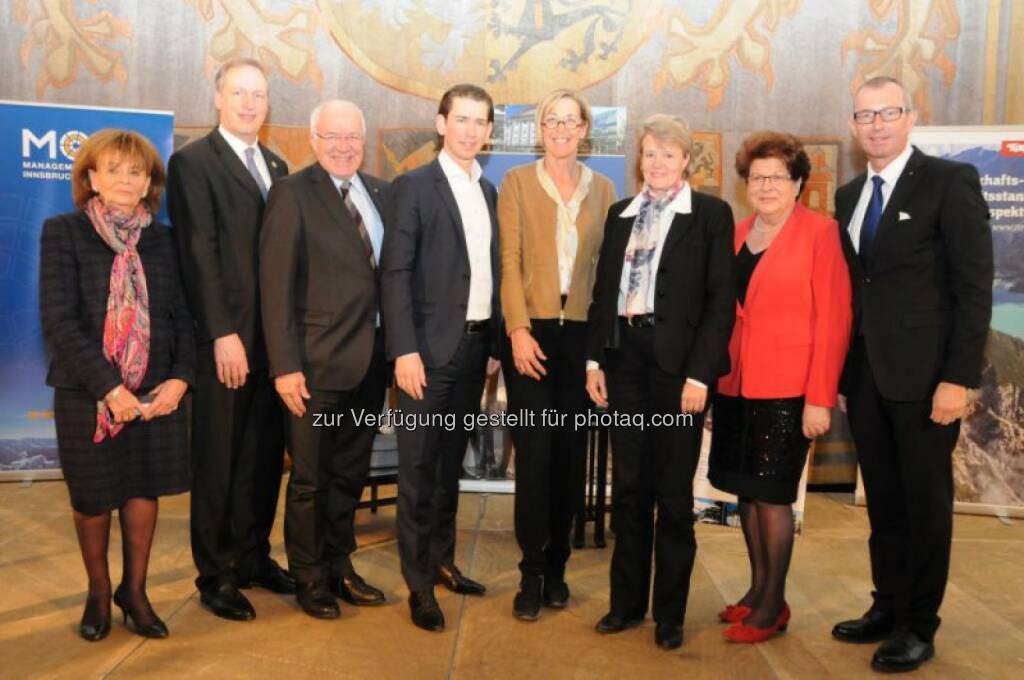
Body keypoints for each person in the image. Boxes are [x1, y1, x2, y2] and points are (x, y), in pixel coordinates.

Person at [831, 76, 992, 673]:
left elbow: (974, 289)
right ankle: (887, 605)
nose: (876, 124)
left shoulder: (950, 182)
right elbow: (856, 291)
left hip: (929, 381)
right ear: (853, 125)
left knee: (924, 505)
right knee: (885, 502)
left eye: (888, 112)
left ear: (911, 117)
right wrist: (847, 377)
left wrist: (959, 377)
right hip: (869, 378)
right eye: (864, 115)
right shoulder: (849, 196)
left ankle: (919, 625)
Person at [585, 114, 735, 650]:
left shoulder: (712, 215)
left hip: (678, 373)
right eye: (650, 154)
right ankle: (625, 605)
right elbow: (604, 294)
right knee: (628, 490)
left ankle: (668, 613)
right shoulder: (619, 214)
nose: (659, 163)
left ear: (686, 161)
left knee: (672, 495)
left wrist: (700, 374)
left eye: (669, 155)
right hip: (624, 363)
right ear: (639, 161)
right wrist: (593, 362)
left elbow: (720, 304)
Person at [40, 130, 195, 641]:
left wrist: (179, 380)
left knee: (142, 489)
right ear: (91, 178)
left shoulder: (165, 240)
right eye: (114, 169)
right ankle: (100, 591)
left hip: (154, 394)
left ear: (149, 181)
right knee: (91, 498)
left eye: (136, 171)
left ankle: (136, 591)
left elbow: (180, 318)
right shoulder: (62, 232)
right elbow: (59, 322)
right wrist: (110, 389)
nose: (126, 179)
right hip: (88, 393)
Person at [709, 131, 852, 643]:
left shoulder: (821, 233)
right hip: (736, 382)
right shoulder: (737, 231)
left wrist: (820, 397)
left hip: (790, 389)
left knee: (772, 498)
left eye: (778, 177)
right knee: (745, 494)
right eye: (757, 177)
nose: (766, 186)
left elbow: (834, 319)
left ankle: (773, 606)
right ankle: (755, 591)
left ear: (798, 184)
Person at [166, 57, 294, 621]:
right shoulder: (193, 162)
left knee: (263, 459)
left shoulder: (277, 162)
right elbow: (199, 253)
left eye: (259, 95)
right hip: (227, 343)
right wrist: (222, 333)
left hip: (275, 346)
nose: (249, 103)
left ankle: (252, 556)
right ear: (217, 99)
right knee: (218, 461)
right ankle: (215, 574)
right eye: (239, 93)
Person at [260, 100, 390, 619]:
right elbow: (274, 287)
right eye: (332, 137)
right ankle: (309, 575)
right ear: (313, 140)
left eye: (352, 137)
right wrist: (285, 366)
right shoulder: (292, 193)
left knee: (348, 476)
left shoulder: (380, 192)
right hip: (312, 368)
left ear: (364, 139)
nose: (343, 146)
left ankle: (340, 566)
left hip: (369, 365)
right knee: (311, 479)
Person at [381, 83, 501, 632]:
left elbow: (489, 274)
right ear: (441, 123)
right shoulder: (414, 187)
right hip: (425, 355)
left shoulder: (489, 191)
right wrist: (403, 348)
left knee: (450, 465)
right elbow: (396, 273)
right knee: (418, 470)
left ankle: (443, 559)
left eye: (481, 122)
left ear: (490, 131)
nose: (471, 130)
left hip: (474, 349)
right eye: (463, 120)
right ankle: (419, 583)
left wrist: (494, 346)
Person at [498, 88, 617, 620]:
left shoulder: (606, 189)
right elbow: (509, 262)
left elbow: (607, 277)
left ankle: (559, 568)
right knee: (536, 458)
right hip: (533, 335)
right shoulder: (517, 183)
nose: (562, 129)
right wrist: (518, 331)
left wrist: (597, 356)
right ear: (541, 128)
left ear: (585, 130)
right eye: (553, 119)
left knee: (569, 462)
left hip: (582, 340)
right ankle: (530, 573)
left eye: (572, 121)